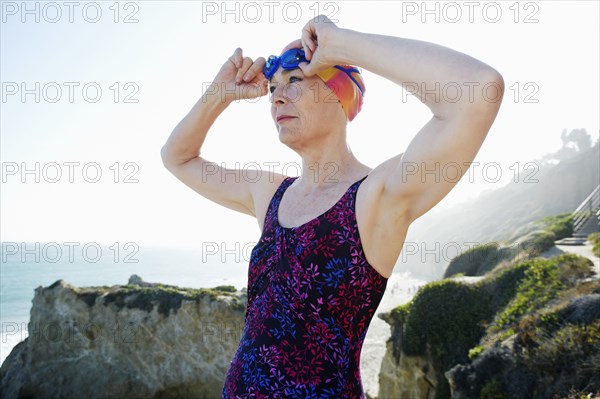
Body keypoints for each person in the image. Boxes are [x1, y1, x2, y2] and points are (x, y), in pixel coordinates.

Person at [161, 14, 504, 399]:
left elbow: (479, 90)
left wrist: (342, 44)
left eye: (295, 81)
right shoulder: (269, 193)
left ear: (341, 93)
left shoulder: (376, 197)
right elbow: (178, 158)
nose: (276, 97)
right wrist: (218, 95)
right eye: (273, 87)